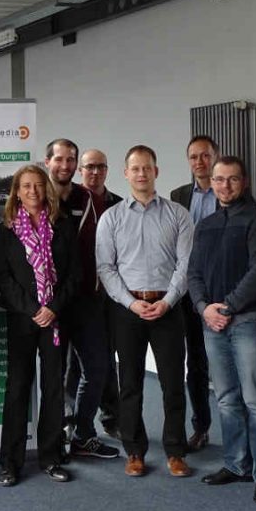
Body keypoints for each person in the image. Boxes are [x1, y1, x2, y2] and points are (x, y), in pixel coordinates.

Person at [96, 146, 194, 478]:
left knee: (172, 384)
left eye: (147, 168)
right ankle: (134, 451)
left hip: (168, 308)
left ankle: (176, 452)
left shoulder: (178, 214)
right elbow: (106, 268)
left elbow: (185, 265)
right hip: (128, 310)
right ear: (126, 173)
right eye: (135, 169)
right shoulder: (111, 218)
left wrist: (168, 301)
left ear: (156, 171)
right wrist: (130, 302)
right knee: (130, 385)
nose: (141, 174)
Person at [188, 157, 256, 504]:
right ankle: (237, 464)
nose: (225, 186)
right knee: (227, 399)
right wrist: (203, 308)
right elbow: (193, 273)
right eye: (219, 180)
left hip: (248, 321)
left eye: (232, 180)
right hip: (212, 323)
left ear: (244, 182)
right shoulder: (206, 224)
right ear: (210, 182)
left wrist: (226, 307)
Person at [0, 164, 80, 486]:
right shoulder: (5, 230)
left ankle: (51, 457)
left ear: (46, 189)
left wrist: (53, 308)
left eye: (38, 185)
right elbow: (3, 278)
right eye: (25, 186)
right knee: (16, 389)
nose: (32, 191)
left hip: (56, 320)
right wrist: (34, 309)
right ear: (16, 191)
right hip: (22, 320)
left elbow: (75, 274)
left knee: (54, 389)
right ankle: (10, 463)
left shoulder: (63, 224)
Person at [63, 147, 122, 458]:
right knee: (73, 366)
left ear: (107, 170)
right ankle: (70, 423)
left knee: (102, 362)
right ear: (80, 170)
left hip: (108, 297)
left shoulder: (118, 205)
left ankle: (105, 418)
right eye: (88, 167)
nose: (94, 172)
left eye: (100, 166)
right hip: (70, 299)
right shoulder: (67, 202)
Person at [170, 135, 220, 451]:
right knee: (196, 364)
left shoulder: (233, 190)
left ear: (215, 157)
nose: (200, 162)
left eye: (205, 156)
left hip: (222, 291)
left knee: (230, 363)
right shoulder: (178, 195)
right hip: (188, 290)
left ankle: (239, 429)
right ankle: (201, 427)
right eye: (194, 157)